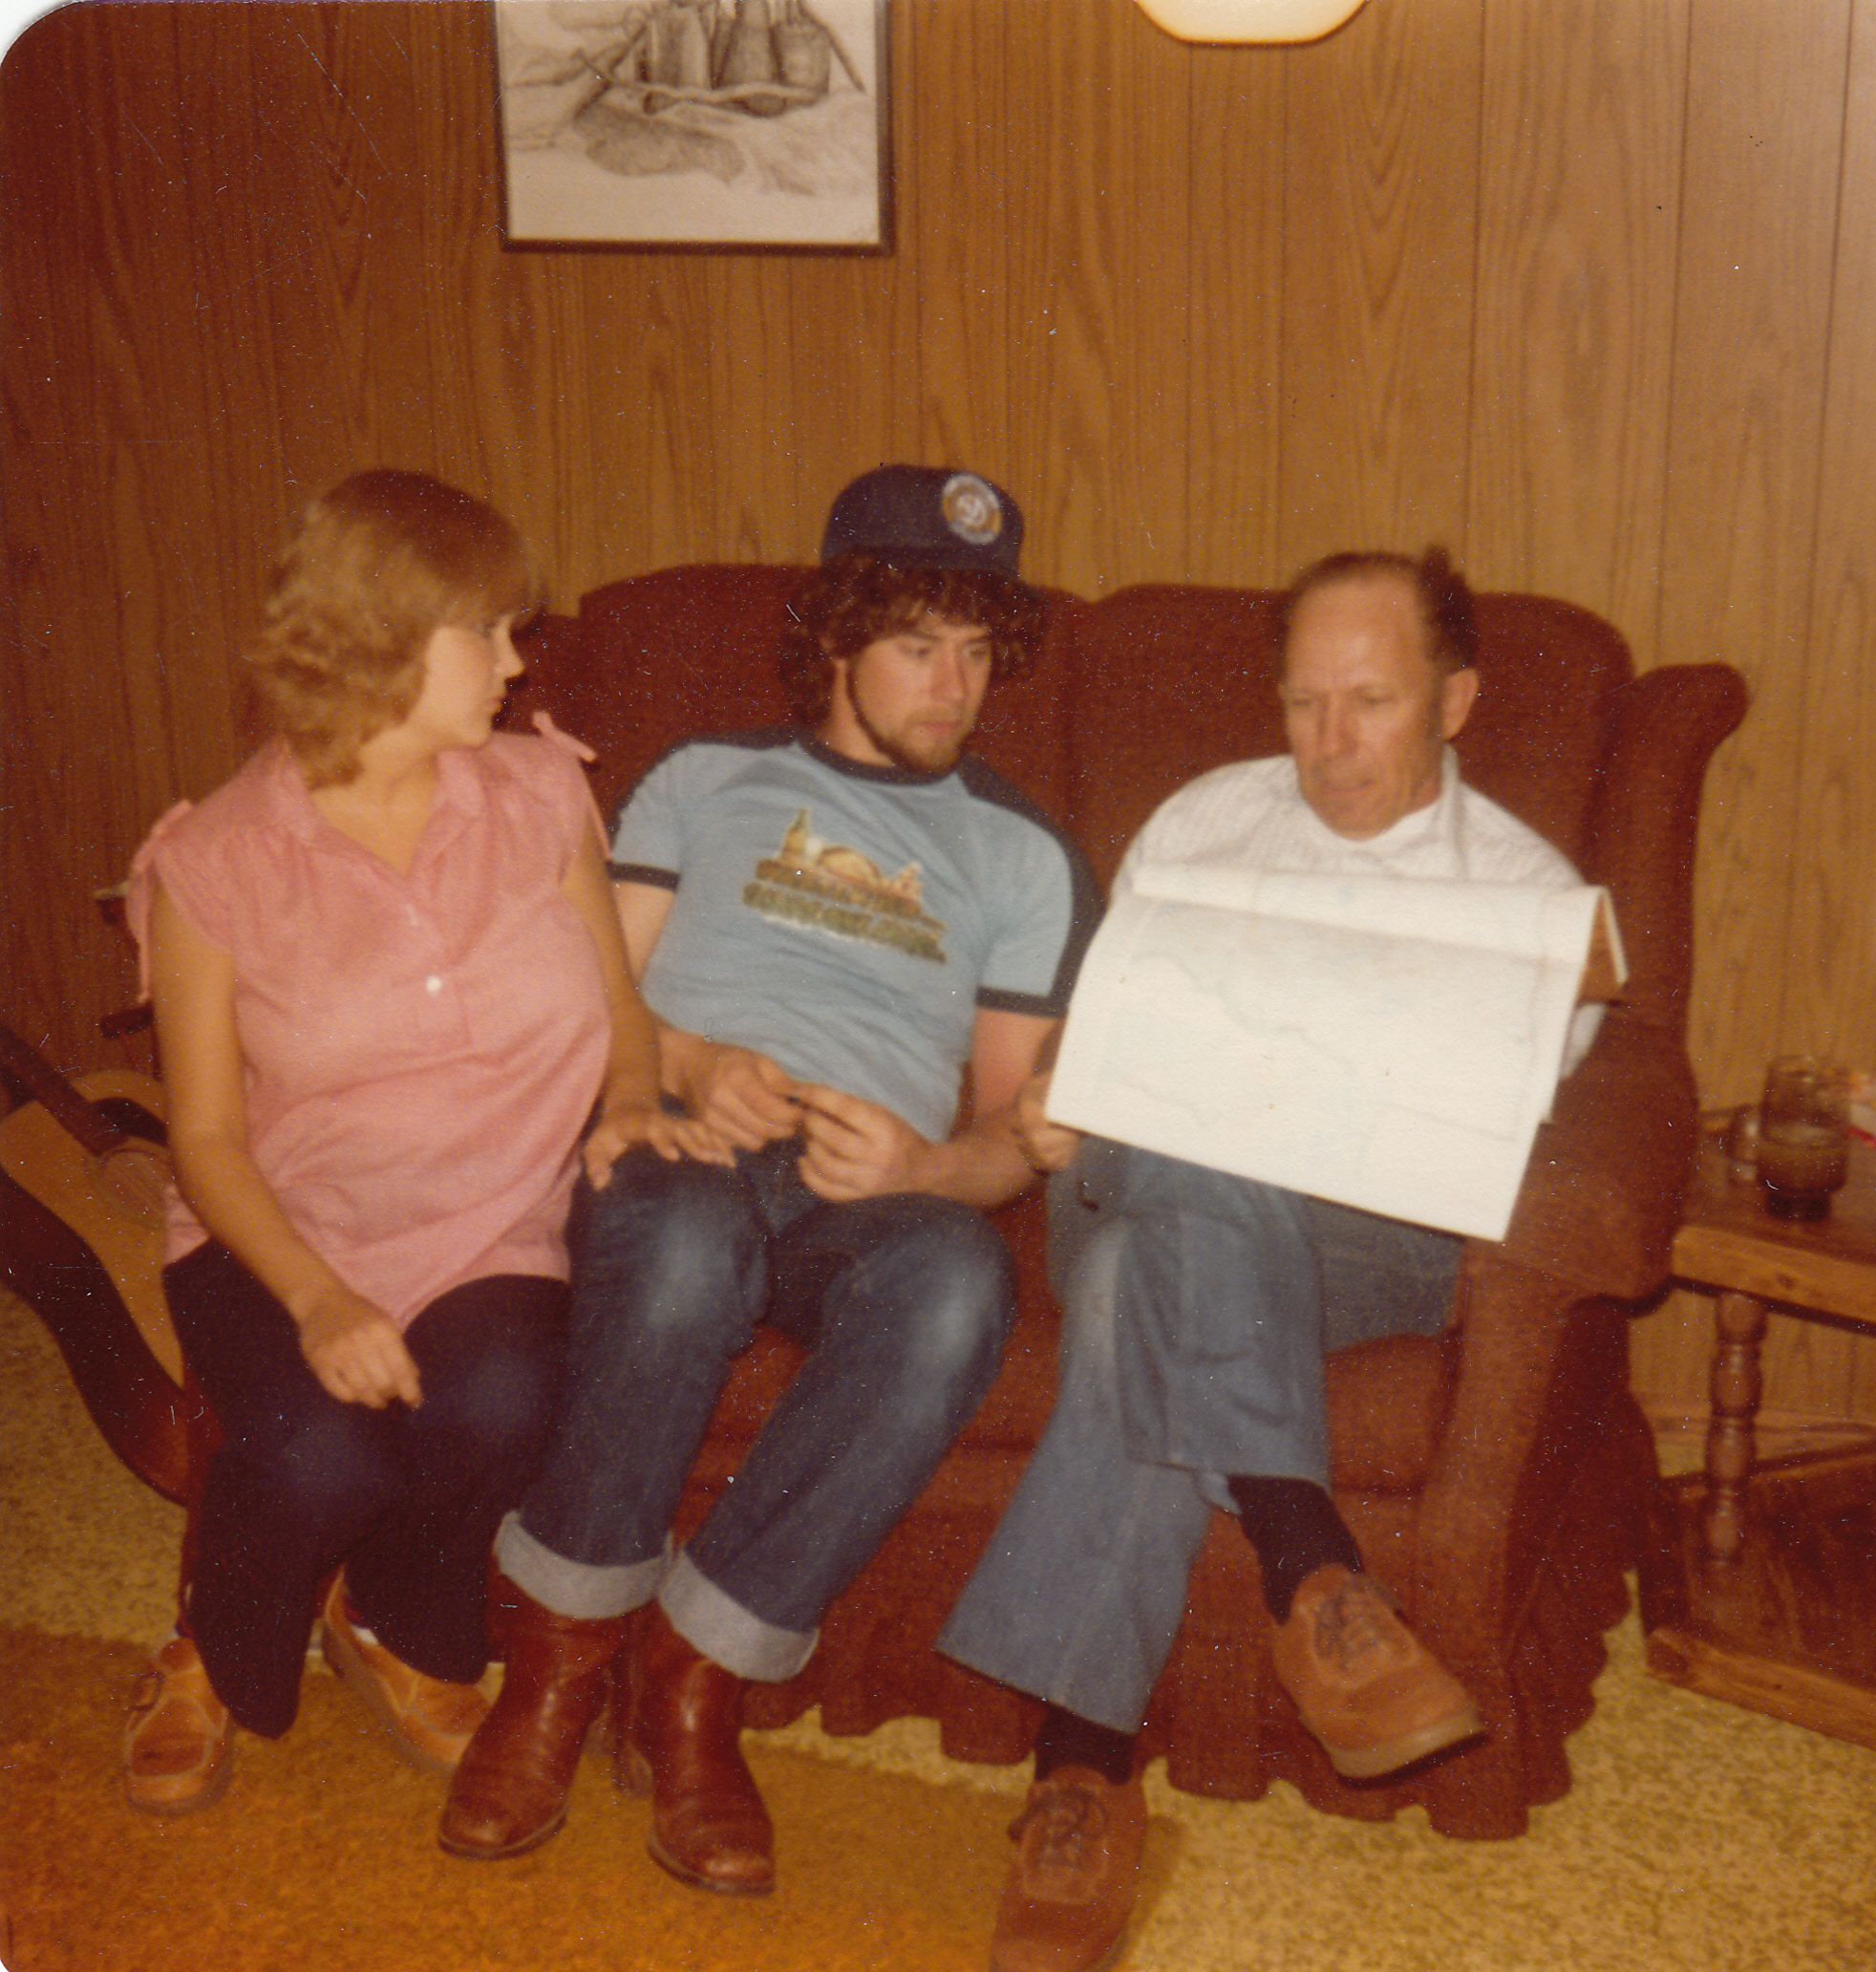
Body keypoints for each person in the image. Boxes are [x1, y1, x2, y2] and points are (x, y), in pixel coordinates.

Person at [936, 547, 1611, 1972]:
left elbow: (1491, 1135)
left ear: (1455, 701)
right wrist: (1055, 1097)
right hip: (1135, 1172)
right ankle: (1313, 1574)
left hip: (1365, 1241)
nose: (1329, 742)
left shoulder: (1529, 902)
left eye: (1372, 702)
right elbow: (1106, 1038)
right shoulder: (1203, 825)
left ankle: (1079, 1768)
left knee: (1141, 1279)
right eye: (1305, 703)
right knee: (1198, 1152)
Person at [438, 465, 1101, 1892]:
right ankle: (554, 1672)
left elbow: (1016, 1132)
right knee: (684, 1236)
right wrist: (684, 1061)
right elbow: (588, 996)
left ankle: (694, 1674)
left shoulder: (1025, 854)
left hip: (861, 1194)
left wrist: (931, 1161)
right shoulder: (701, 781)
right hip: (682, 1144)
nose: (956, 687)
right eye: (918, 645)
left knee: (958, 1280)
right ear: (838, 636)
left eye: (978, 651)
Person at [119, 469, 676, 1814]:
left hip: (490, 1231)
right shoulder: (215, 863)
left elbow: (623, 1010)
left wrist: (631, 1102)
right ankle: (211, 1641)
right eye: (486, 632)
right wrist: (318, 1299)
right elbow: (205, 1138)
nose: (516, 662)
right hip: (279, 1234)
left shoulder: (539, 794)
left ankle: (390, 1628)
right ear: (380, 641)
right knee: (324, 1457)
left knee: (503, 1399)